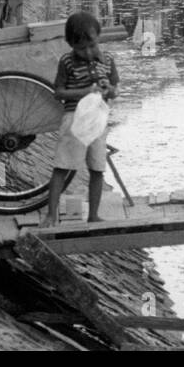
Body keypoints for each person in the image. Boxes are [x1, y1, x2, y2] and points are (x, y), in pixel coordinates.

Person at [43, 12, 119, 227]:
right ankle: (51, 215)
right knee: (62, 166)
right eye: (80, 48)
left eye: (91, 45)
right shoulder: (66, 61)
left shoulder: (108, 61)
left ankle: (93, 214)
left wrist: (109, 90)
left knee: (97, 168)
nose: (87, 52)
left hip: (98, 121)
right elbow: (59, 92)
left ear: (98, 39)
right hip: (74, 120)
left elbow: (115, 91)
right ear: (70, 45)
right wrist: (85, 91)